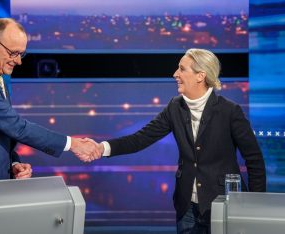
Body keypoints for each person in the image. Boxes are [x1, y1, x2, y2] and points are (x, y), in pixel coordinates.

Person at [87, 48, 266, 233]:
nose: (175, 74)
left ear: (200, 76)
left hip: (222, 205)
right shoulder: (174, 107)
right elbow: (140, 139)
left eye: (182, 69)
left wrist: (253, 207)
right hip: (186, 208)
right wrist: (102, 148)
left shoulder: (230, 111)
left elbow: (254, 160)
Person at [0, 18, 100, 190]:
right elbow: (16, 127)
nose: (19, 61)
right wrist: (72, 144)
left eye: (21, 54)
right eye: (13, 53)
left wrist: (13, 163)